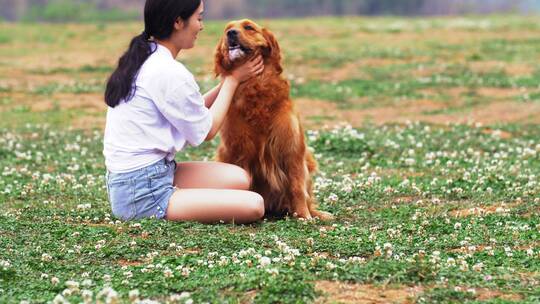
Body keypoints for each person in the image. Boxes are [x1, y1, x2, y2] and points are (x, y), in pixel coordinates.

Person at [103, 0, 265, 224]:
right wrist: (231, 81)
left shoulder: (148, 58)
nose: (201, 26)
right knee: (254, 205)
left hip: (150, 174)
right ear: (178, 22)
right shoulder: (168, 72)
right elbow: (206, 130)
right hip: (142, 194)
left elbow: (192, 110)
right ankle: (166, 202)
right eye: (199, 18)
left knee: (239, 178)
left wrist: (230, 81)